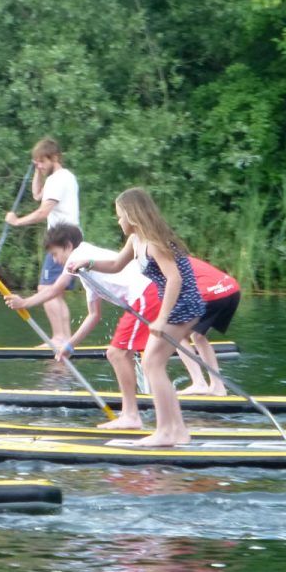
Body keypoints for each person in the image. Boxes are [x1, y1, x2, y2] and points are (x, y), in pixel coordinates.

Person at [66, 188, 204, 447]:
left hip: (183, 304)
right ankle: (178, 432)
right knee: (153, 363)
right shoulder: (135, 241)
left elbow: (175, 279)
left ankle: (166, 431)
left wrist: (162, 319)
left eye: (120, 216)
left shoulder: (153, 243)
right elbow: (116, 265)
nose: (118, 221)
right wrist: (88, 263)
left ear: (133, 215)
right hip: (174, 304)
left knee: (152, 363)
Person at [4, 223, 160, 429]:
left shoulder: (81, 255)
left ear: (68, 246)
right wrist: (69, 346)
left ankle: (131, 416)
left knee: (116, 354)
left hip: (145, 294)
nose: (54, 259)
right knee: (130, 354)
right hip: (149, 294)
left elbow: (56, 288)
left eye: (55, 253)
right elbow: (94, 315)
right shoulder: (85, 273)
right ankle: (145, 410)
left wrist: (25, 302)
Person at [3, 137, 80, 347]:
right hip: (66, 238)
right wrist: (38, 171)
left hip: (63, 239)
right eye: (36, 162)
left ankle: (60, 338)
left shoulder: (58, 180)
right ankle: (63, 338)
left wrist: (17, 222)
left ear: (54, 157)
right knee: (51, 289)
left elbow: (43, 211)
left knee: (47, 288)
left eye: (42, 161)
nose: (39, 165)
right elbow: (38, 195)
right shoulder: (61, 178)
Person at [178, 258, 241, 396]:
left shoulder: (159, 262)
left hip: (211, 294)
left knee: (176, 335)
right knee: (198, 336)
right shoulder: (181, 257)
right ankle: (218, 388)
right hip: (232, 288)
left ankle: (199, 383)